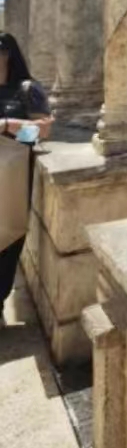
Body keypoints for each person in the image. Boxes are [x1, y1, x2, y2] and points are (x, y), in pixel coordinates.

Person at [0, 32, 54, 329]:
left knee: (8, 240)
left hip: (12, 177)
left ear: (8, 54)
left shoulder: (27, 90)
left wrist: (6, 126)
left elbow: (42, 132)